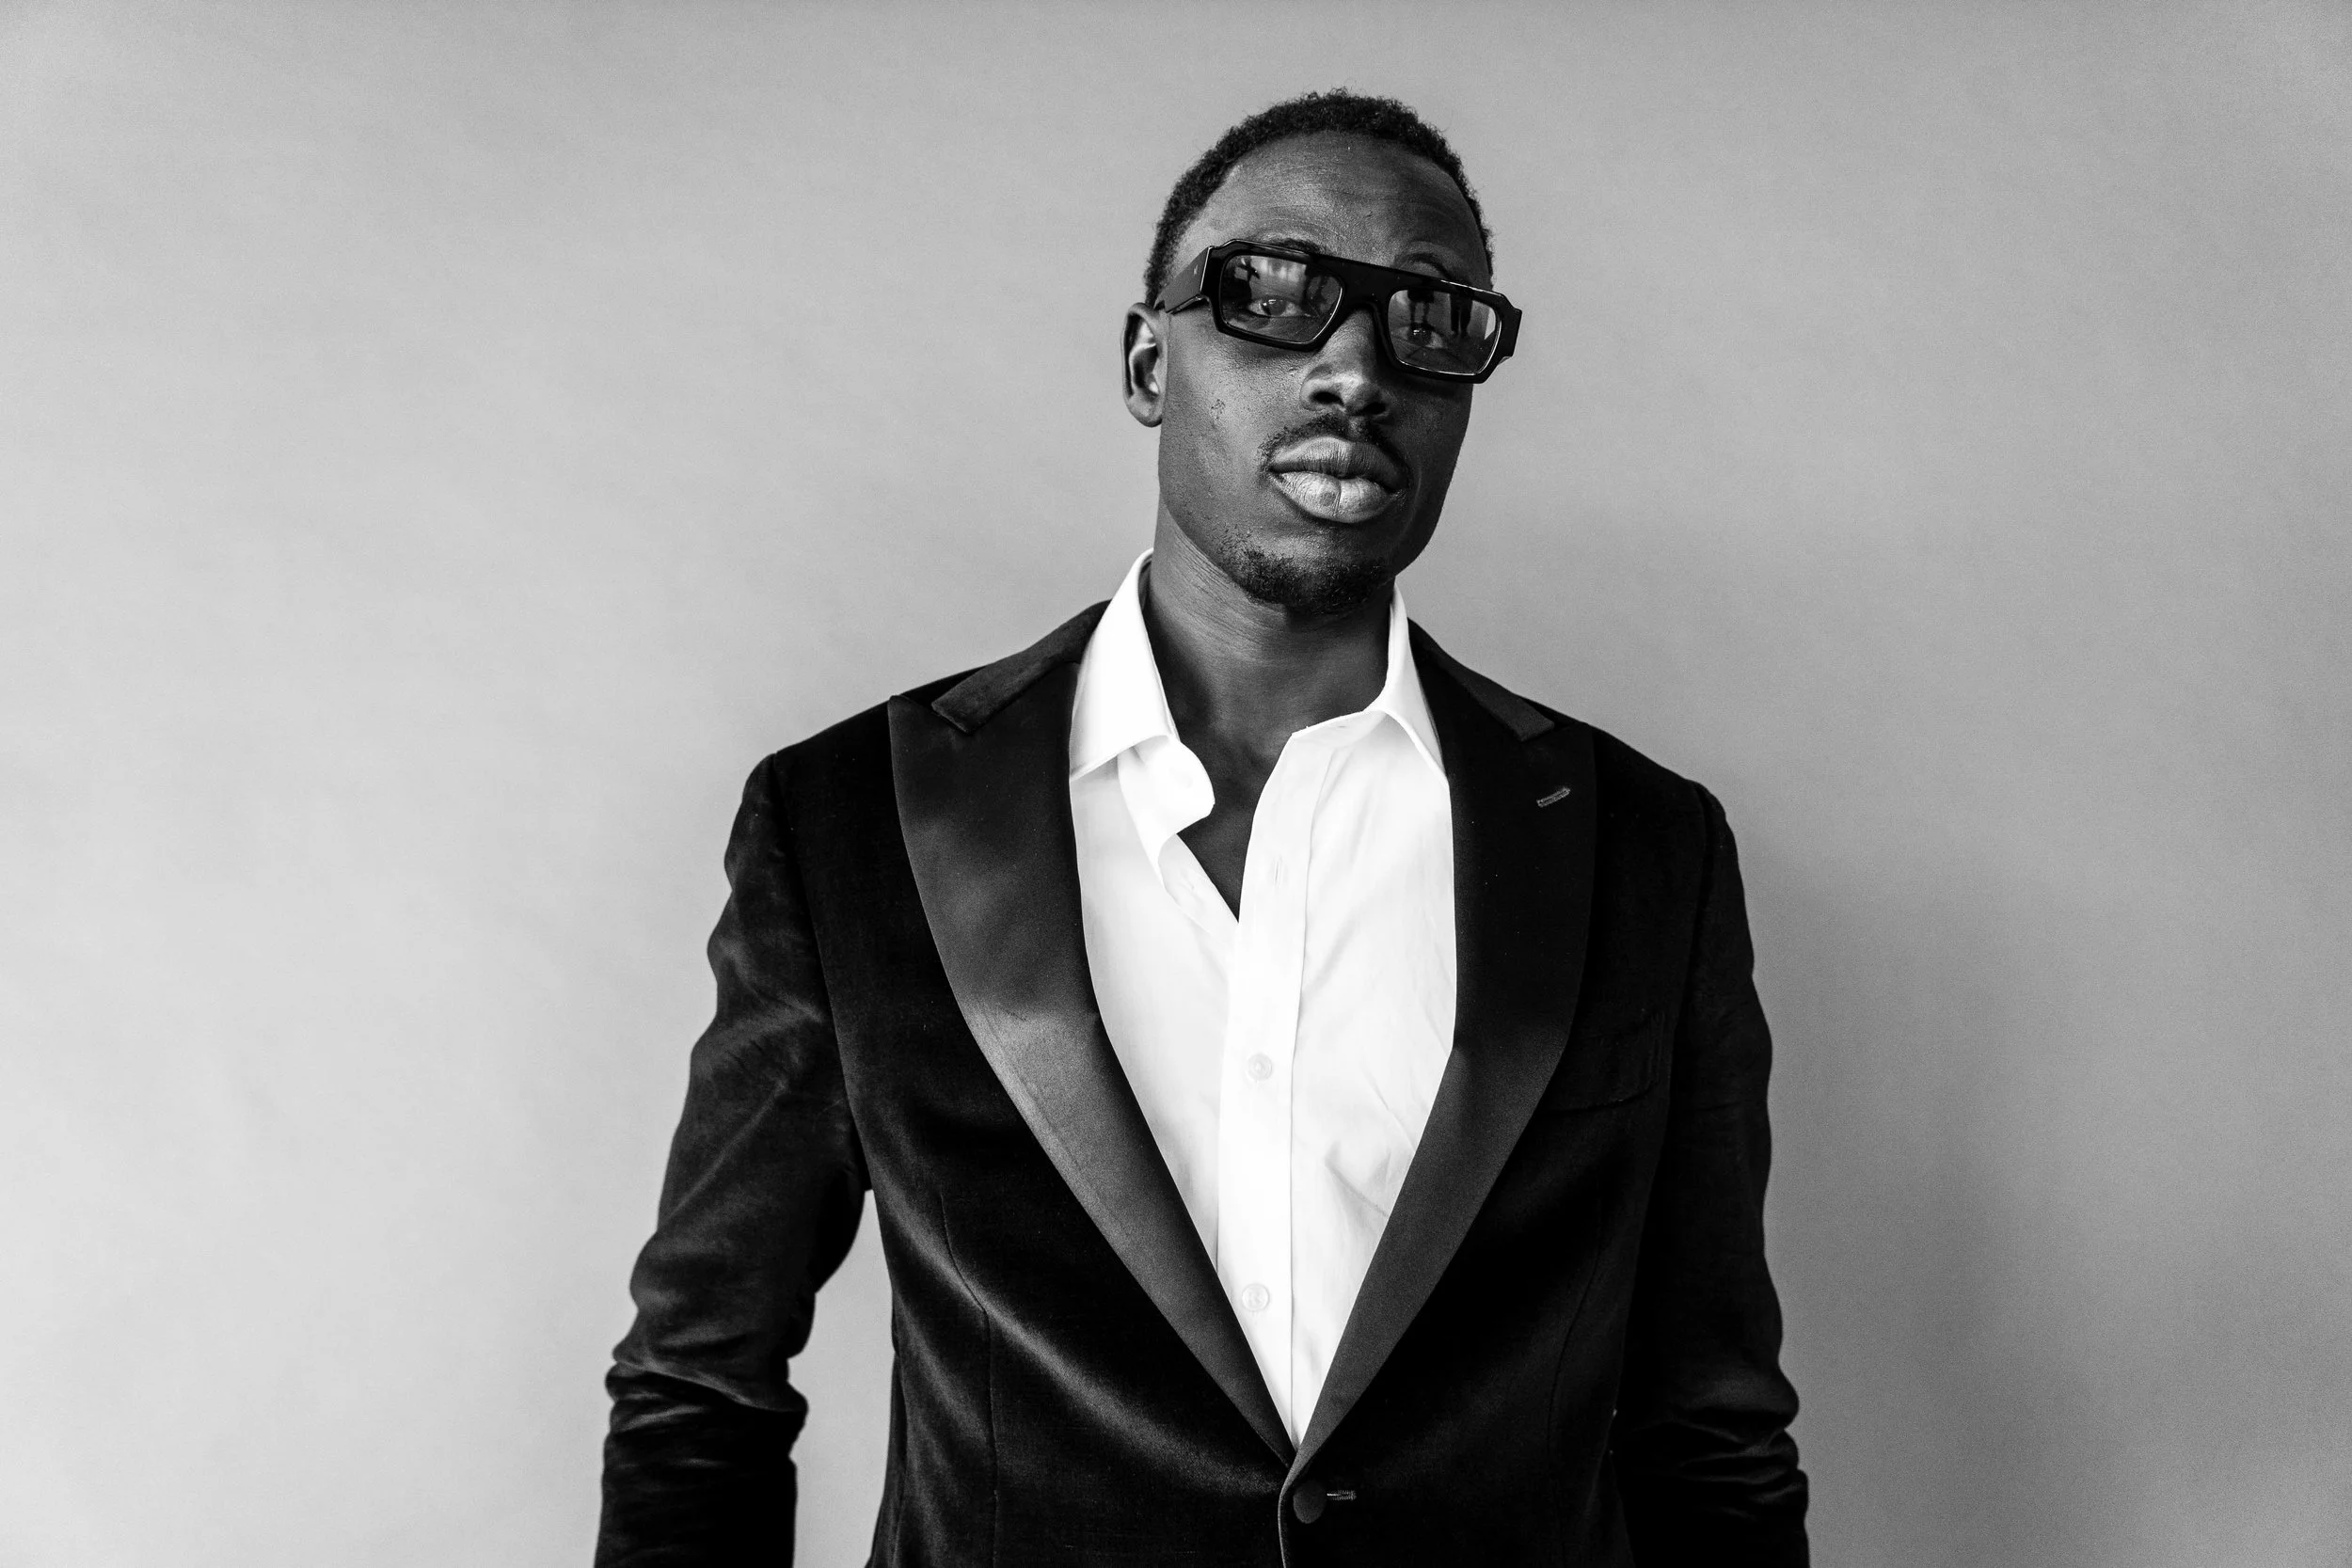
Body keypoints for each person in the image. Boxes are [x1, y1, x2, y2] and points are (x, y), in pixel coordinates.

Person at [596, 88, 1808, 1566]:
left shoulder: (1643, 850)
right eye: (1275, 293)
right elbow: (699, 1390)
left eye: (1430, 317)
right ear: (1147, 359)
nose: (1356, 368)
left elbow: (1708, 1432)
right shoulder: (852, 820)